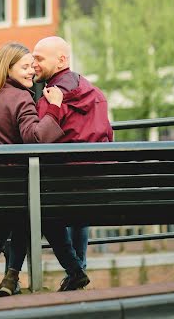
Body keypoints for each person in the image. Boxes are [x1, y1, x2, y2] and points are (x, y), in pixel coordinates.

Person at [0, 42, 88, 301]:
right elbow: (36, 139)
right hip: (17, 188)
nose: (32, 71)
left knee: (4, 226)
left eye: (33, 65)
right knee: (26, 215)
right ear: (8, 69)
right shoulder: (21, 98)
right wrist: (54, 107)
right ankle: (18, 275)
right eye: (25, 66)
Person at [32, 35, 113, 290]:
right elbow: (107, 136)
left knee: (42, 212)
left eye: (39, 59)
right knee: (80, 211)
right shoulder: (96, 93)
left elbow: (39, 140)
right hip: (95, 185)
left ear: (61, 61)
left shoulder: (50, 98)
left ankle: (75, 269)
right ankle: (79, 270)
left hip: (61, 186)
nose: (34, 64)